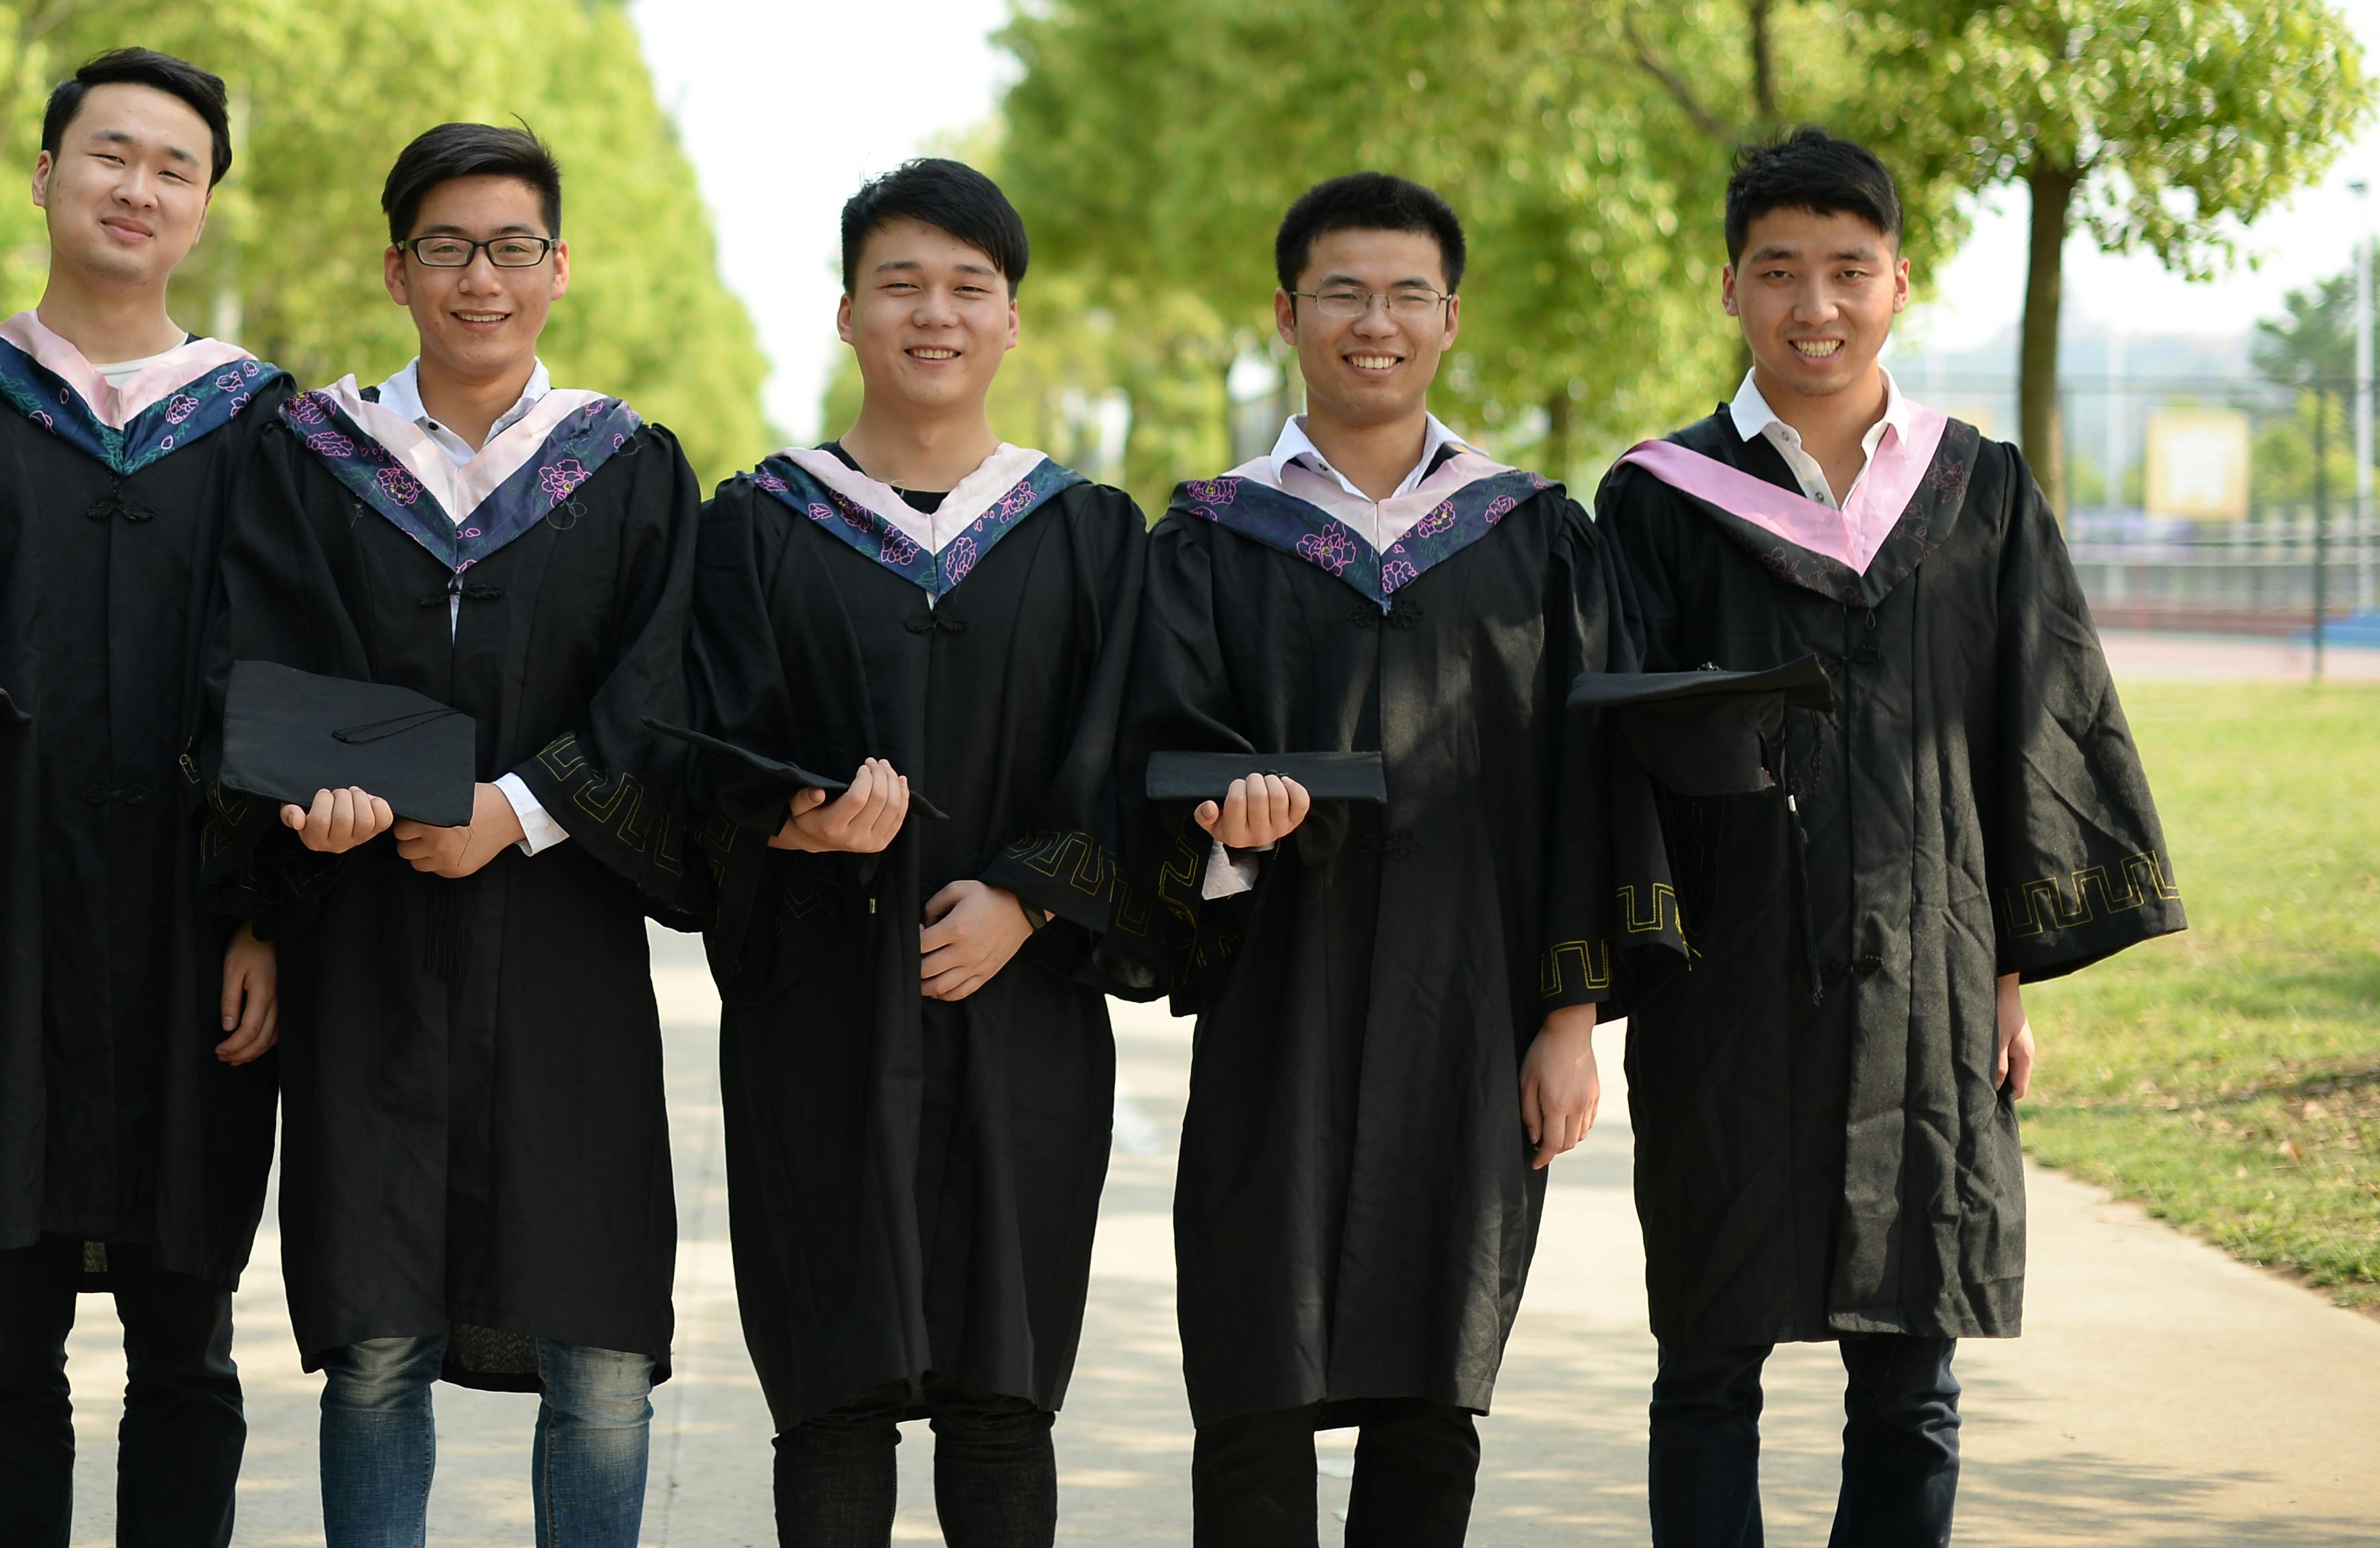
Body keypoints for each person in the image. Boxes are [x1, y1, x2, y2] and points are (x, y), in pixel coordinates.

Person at [1593, 129, 2182, 1548]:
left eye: (1848, 270)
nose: (1816, 305)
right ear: (1728, 285)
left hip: (1926, 968)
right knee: (1708, 1361)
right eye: (1781, 271)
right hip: (1722, 978)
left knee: (1911, 1372)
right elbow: (1605, 756)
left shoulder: (1974, 490)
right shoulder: (1658, 500)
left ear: (1899, 283)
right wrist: (1603, 970)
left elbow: (2034, 726)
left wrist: (2009, 966)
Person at [0, 48, 288, 1548]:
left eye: (173, 167)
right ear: (45, 175)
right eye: (109, 154)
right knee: (1, 1341)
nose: (137, 186)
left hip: (189, 934)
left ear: (205, 206)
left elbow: (284, 682)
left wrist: (267, 912)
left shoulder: (260, 427)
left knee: (188, 1342)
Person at [215, 121, 700, 1548]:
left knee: (599, 1357)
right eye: (444, 247)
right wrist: (299, 820)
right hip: (368, 936)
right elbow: (258, 657)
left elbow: (663, 685)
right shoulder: (314, 457)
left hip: (565, 945)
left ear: (558, 269)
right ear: (396, 268)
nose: (476, 278)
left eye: (507, 248)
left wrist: (517, 810)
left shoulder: (625, 466)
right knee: (374, 1344)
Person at [1126, 172, 1615, 1548]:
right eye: (1342, 291)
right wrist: (1221, 840)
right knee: (1252, 1382)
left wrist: (1567, 1016)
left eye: (1406, 293)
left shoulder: (1531, 537)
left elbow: (1589, 789)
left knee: (1429, 1395)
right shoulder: (1212, 534)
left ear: (1449, 318)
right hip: (1275, 996)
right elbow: (1158, 752)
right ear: (1288, 312)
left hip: (1469, 1009)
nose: (1374, 322)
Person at [685, 159, 1146, 1548]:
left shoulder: (1087, 534)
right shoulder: (757, 523)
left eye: (966, 287)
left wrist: (1029, 894)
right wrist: (791, 818)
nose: (931, 313)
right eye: (901, 283)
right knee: (830, 1399)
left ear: (1010, 319)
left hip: (1022, 1021)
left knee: (1002, 1398)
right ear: (843, 313)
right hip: (816, 1014)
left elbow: (1128, 761)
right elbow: (702, 744)